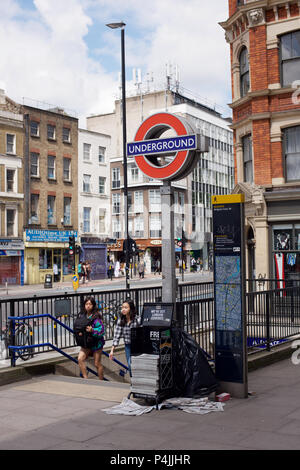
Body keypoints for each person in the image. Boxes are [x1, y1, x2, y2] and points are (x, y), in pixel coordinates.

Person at [77, 296, 105, 380]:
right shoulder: (82, 315)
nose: (88, 306)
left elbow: (102, 331)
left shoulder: (96, 317)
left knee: (97, 364)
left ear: (93, 306)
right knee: (80, 359)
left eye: (90, 304)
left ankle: (101, 381)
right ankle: (86, 379)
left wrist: (93, 330)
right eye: (86, 304)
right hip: (86, 343)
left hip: (96, 343)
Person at [109, 299, 139, 375]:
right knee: (130, 365)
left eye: (126, 307)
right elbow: (116, 336)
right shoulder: (121, 321)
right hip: (128, 346)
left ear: (131, 309)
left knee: (137, 366)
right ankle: (133, 382)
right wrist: (112, 350)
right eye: (122, 307)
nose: (123, 309)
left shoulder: (137, 320)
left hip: (138, 345)